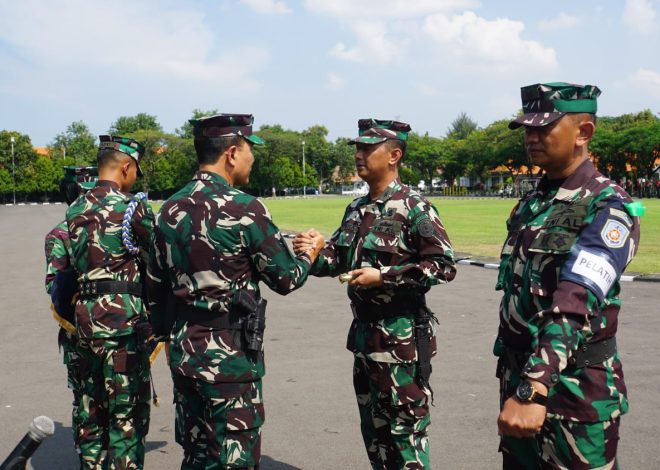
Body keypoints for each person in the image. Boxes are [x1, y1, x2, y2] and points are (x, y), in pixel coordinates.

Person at [146, 113, 324, 469]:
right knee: (234, 457)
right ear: (230, 153)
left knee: (198, 455)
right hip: (231, 358)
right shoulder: (246, 209)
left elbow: (155, 287)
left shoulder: (168, 210)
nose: (252, 159)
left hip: (185, 353)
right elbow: (285, 279)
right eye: (248, 150)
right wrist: (310, 252)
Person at [494, 82, 643, 469]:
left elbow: (577, 298)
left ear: (583, 133)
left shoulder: (609, 206)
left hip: (574, 394)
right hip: (522, 382)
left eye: (544, 127)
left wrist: (534, 387)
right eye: (527, 128)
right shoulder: (533, 204)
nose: (532, 137)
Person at [294, 119, 456, 469]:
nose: (358, 155)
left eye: (368, 148)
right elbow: (337, 259)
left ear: (394, 155)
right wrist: (312, 251)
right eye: (357, 147)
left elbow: (443, 265)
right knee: (375, 436)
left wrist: (384, 276)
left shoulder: (414, 207)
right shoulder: (357, 209)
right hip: (365, 341)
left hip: (401, 344)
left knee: (405, 437)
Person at [66, 136, 154, 469]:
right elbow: (157, 258)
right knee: (126, 416)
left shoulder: (75, 209)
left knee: (91, 411)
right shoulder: (132, 207)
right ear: (126, 167)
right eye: (136, 172)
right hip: (123, 326)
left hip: (85, 323)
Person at [44, 165, 97, 463]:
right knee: (88, 402)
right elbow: (55, 287)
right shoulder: (59, 235)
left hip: (108, 329)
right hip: (79, 332)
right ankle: (89, 459)